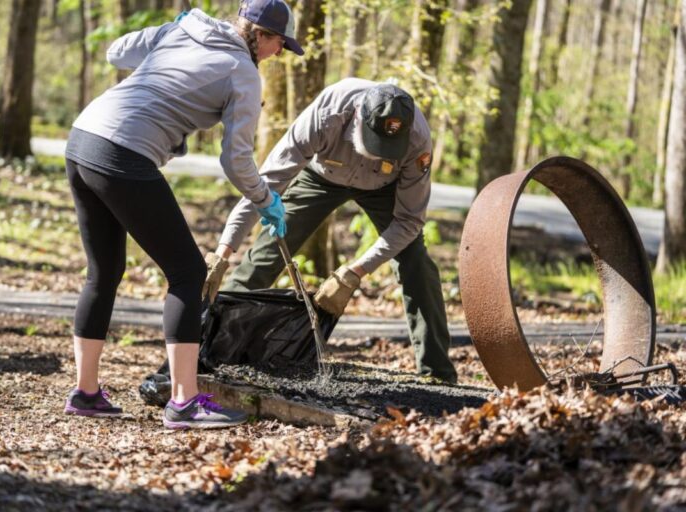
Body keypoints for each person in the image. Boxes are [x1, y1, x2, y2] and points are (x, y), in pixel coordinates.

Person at [62, 0, 303, 429]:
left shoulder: (184, 30)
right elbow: (236, 160)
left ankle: (86, 392)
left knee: (104, 270)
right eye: (280, 43)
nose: (279, 52)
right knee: (188, 272)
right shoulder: (243, 73)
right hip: (122, 153)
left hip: (83, 138)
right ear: (261, 36)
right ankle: (184, 402)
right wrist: (264, 198)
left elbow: (116, 52)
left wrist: (164, 31)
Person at [203, 79, 457, 383]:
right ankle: (210, 348)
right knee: (267, 254)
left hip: (384, 188)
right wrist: (223, 252)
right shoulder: (326, 115)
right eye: (374, 143)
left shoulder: (417, 140)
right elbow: (264, 185)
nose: (378, 153)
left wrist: (355, 272)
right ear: (358, 117)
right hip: (320, 177)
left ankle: (438, 374)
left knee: (417, 264)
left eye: (386, 148)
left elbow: (409, 222)